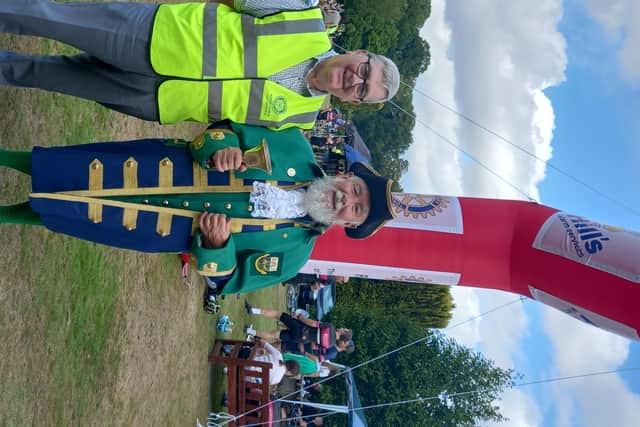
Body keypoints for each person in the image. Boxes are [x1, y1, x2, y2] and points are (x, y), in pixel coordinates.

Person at [0, 121, 395, 296]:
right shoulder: (294, 144)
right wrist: (221, 148)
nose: (346, 200)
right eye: (355, 190)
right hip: (158, 169)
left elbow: (225, 281)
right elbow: (222, 130)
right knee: (72, 167)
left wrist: (217, 245)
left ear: (347, 223)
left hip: (158, 228)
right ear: (346, 176)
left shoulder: (293, 258)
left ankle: (7, 214)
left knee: (75, 214)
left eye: (356, 210)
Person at [0, 0, 400, 130]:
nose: (356, 80)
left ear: (355, 102)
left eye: (364, 90)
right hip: (157, 36)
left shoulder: (302, 121)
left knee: (44, 76)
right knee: (47, 18)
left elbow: (232, 137)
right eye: (365, 71)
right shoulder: (306, 17)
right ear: (361, 55)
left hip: (156, 99)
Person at [244, 303, 354, 360]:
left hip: (302, 327)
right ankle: (250, 330)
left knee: (278, 315)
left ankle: (253, 310)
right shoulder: (329, 345)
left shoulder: (330, 327)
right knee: (274, 335)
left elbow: (312, 323)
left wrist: (300, 317)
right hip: (300, 338)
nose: (343, 327)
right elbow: (314, 345)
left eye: (345, 329)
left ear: (343, 333)